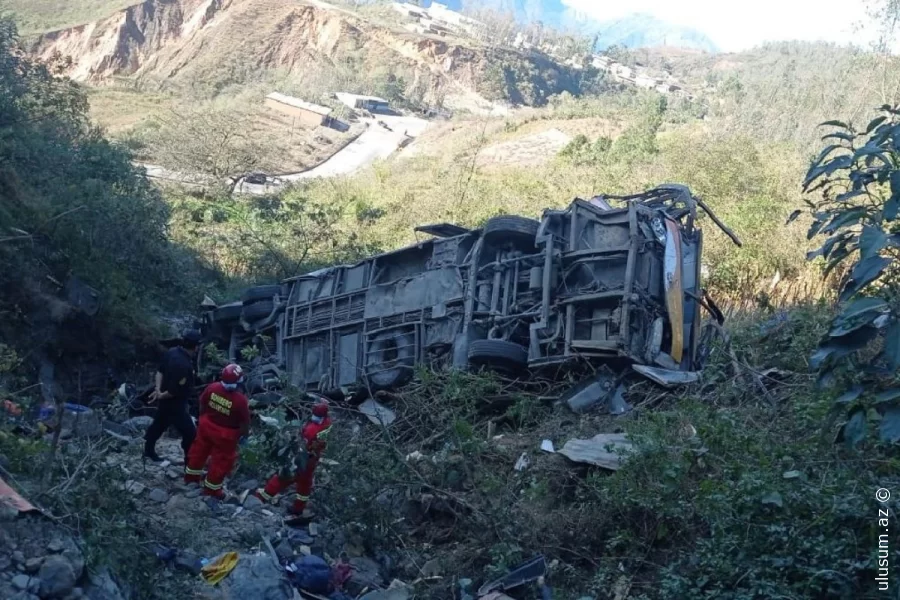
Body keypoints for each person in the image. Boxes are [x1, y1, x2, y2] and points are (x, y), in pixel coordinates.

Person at [254, 397, 332, 516]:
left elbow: (300, 442)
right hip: (313, 460)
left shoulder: (311, 430)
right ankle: (298, 508)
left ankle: (261, 497)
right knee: (305, 485)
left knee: (283, 478)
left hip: (302, 458)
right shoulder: (327, 424)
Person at [184, 364, 250, 500]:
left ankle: (191, 478)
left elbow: (202, 404)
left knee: (198, 452)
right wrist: (242, 436)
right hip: (225, 435)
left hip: (207, 427)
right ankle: (212, 490)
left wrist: (203, 419)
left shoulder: (212, 388)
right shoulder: (240, 400)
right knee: (221, 462)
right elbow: (245, 423)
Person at [143, 329, 202, 463]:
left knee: (159, 424)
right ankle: (189, 462)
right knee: (190, 434)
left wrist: (158, 390)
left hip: (166, 399)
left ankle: (148, 451)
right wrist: (161, 395)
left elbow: (159, 372)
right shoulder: (184, 365)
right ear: (196, 346)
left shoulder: (172, 352)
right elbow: (175, 391)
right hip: (175, 403)